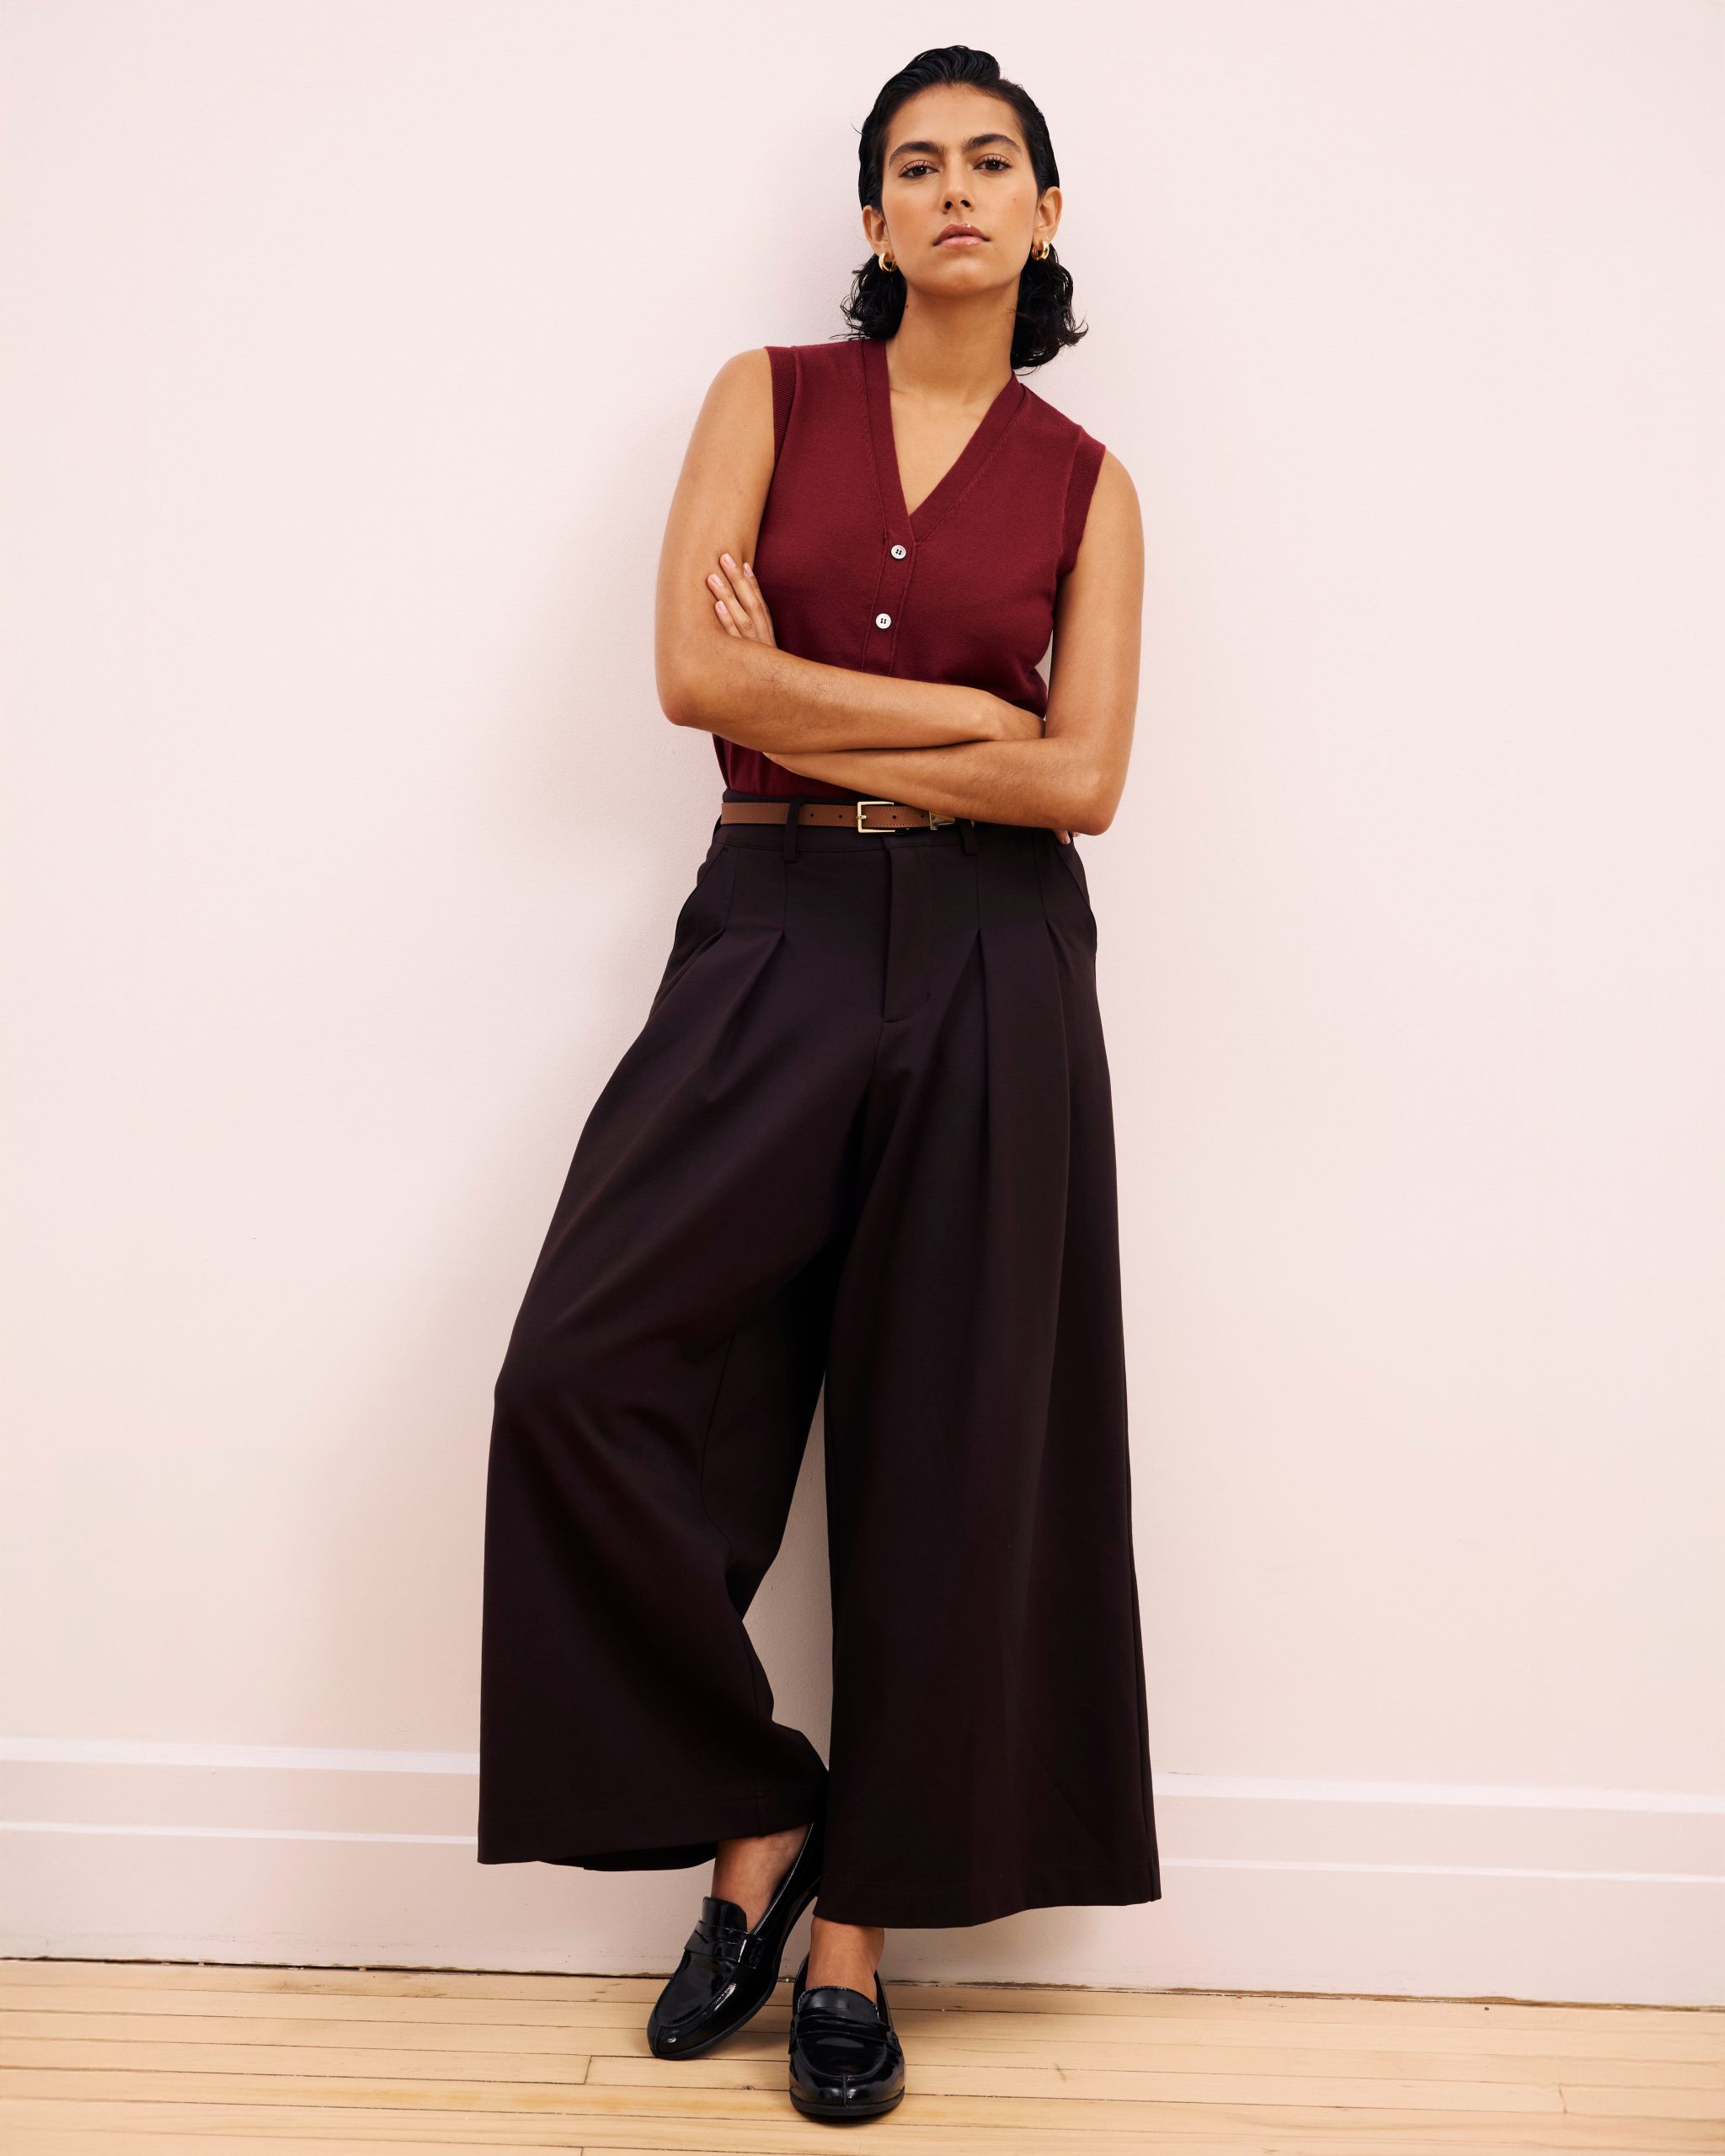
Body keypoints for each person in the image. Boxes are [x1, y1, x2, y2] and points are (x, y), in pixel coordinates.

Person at [477, 43, 1160, 2125]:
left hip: (996, 956)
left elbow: (1082, 780)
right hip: (767, 923)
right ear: (870, 218)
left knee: (954, 1443)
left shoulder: (1091, 484)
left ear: (1045, 213)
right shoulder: (765, 398)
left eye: (991, 161)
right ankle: (761, 1808)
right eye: (913, 164)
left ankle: (854, 1934)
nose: (954, 187)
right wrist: (958, 718)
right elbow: (695, 680)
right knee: (580, 1370)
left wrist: (817, 694)